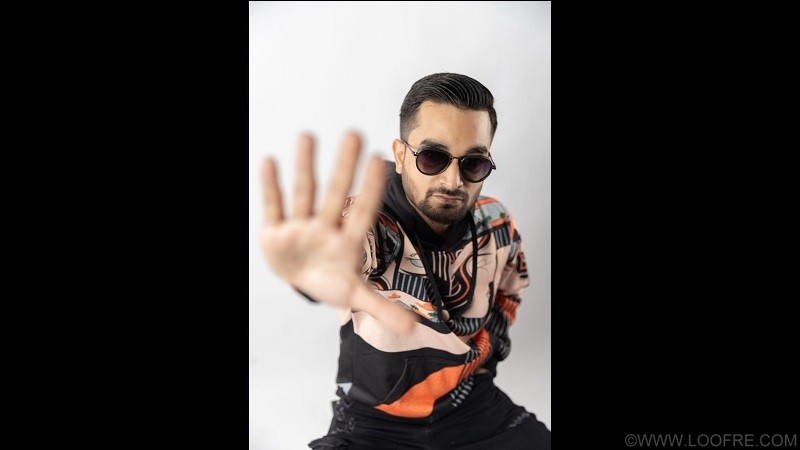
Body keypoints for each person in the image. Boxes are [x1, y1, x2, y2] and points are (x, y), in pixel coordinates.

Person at [260, 73, 551, 450]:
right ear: (400, 155)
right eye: (433, 157)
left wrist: (483, 364)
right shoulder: (367, 222)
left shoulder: (496, 223)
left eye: (474, 163)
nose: (453, 180)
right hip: (373, 420)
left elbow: (510, 293)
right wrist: (311, 269)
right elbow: (346, 246)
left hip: (472, 407)